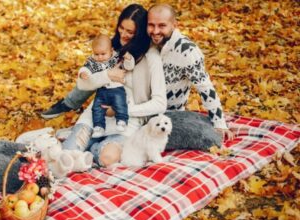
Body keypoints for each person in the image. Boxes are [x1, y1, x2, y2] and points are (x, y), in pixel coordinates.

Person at [41, 4, 234, 140]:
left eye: (162, 26)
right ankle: (71, 107)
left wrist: (219, 123)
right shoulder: (143, 42)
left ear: (174, 25)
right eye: (151, 25)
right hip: (134, 102)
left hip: (163, 112)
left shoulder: (187, 52)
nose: (156, 31)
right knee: (103, 70)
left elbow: (205, 87)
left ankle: (84, 128)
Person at [61, 4, 167, 167]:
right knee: (66, 159)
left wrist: (121, 110)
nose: (123, 35)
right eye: (121, 28)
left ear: (139, 33)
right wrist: (106, 75)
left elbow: (160, 103)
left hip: (127, 123)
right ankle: (75, 145)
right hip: (95, 116)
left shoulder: (151, 57)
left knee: (107, 158)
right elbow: (83, 84)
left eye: (130, 32)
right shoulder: (109, 49)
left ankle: (86, 150)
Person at [78, 34, 135, 138]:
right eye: (96, 54)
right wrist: (83, 73)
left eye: (103, 54)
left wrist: (128, 58)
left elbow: (129, 66)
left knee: (120, 104)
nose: (99, 57)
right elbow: (86, 68)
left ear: (111, 50)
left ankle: (122, 120)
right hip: (102, 90)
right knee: (97, 108)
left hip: (117, 88)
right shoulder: (93, 61)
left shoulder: (116, 57)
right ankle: (99, 127)